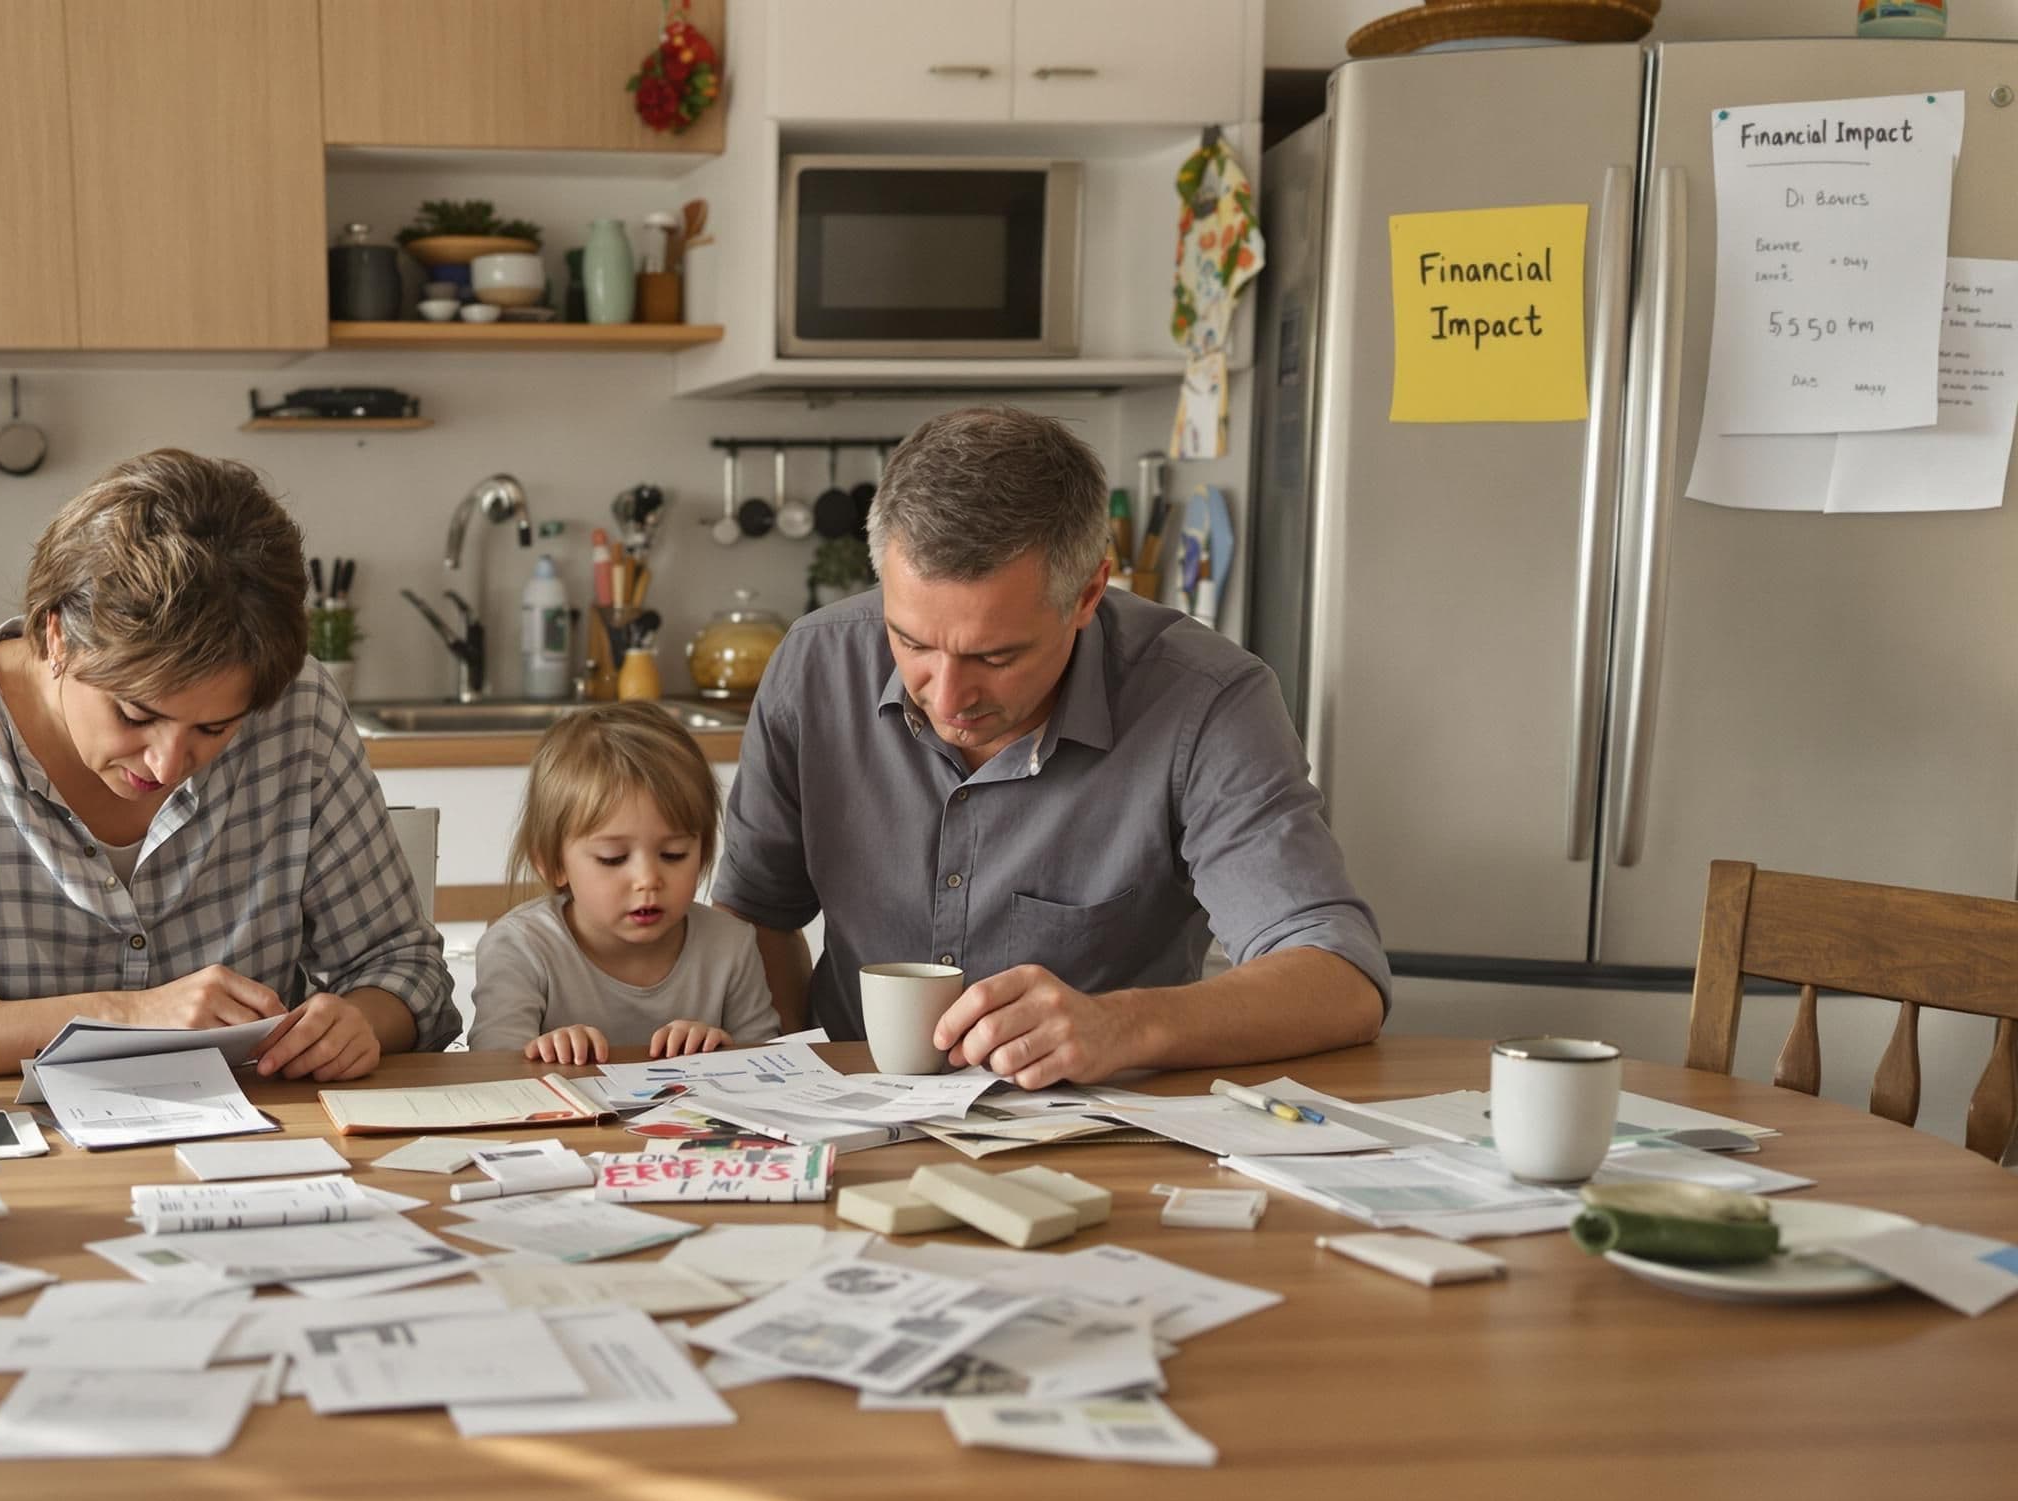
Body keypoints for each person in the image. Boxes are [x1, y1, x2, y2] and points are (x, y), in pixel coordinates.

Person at [711, 406, 1387, 1089]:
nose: (946, 699)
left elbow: (1340, 979)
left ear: (1090, 590)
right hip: (854, 1110)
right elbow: (752, 923)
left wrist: (1118, 1026)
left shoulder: (1205, 700)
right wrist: (800, 1078)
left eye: (996, 656)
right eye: (912, 643)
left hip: (1108, 1122)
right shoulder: (816, 663)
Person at [0, 448, 453, 1082]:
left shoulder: (296, 705)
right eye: (136, 715)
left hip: (258, 1147)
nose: (168, 764)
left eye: (215, 728)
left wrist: (360, 1021)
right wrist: (126, 1017)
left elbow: (402, 966)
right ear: (56, 637)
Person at [467, 702, 780, 1064]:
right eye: (613, 859)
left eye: (674, 854)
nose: (648, 880)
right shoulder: (520, 948)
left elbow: (770, 1066)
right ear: (553, 863)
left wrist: (724, 1051)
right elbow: (492, 1072)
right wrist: (546, 1052)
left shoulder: (731, 944)